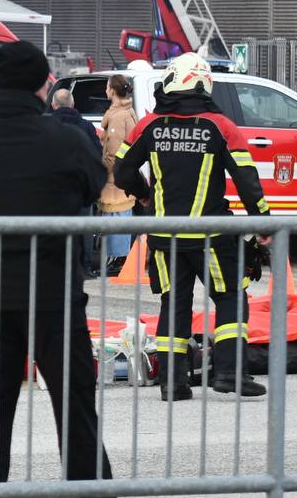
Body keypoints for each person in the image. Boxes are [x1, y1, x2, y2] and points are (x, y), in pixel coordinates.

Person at [0, 40, 112, 483]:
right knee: (75, 405)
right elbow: (94, 186)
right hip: (51, 292)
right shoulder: (65, 139)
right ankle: (88, 489)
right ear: (43, 83)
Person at [115, 52, 271, 401]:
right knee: (230, 297)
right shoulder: (221, 126)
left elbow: (122, 171)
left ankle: (174, 382)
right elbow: (246, 179)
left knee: (175, 303)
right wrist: (263, 221)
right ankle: (230, 373)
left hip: (163, 236)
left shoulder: (149, 125)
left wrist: (144, 195)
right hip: (210, 237)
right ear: (203, 84)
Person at [50, 88, 102, 277]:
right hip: (80, 187)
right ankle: (85, 267)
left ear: (53, 105)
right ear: (73, 105)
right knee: (84, 229)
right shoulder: (87, 127)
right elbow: (97, 156)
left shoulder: (46, 126)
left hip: (54, 189)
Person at [98, 75, 138, 277]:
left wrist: (105, 168)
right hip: (127, 174)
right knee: (123, 213)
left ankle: (117, 258)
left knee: (115, 214)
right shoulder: (128, 112)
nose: (105, 90)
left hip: (114, 177)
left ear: (112, 90)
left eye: (107, 86)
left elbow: (112, 149)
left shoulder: (116, 117)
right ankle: (120, 256)